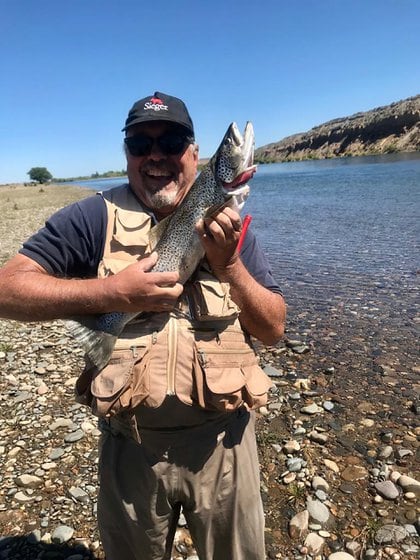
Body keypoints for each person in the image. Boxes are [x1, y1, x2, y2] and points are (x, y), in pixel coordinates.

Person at [0, 92, 286, 560]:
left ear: (196, 154)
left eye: (171, 140)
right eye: (140, 143)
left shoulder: (229, 220)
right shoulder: (92, 216)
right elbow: (6, 290)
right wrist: (112, 295)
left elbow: (274, 330)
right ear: (127, 154)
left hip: (224, 445)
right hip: (130, 446)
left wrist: (231, 263)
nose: (156, 155)